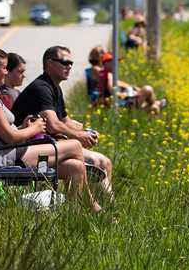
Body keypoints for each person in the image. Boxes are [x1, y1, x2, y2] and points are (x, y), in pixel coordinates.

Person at [0, 47, 97, 207]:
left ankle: (75, 212)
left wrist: (22, 127)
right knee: (74, 145)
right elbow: (9, 137)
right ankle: (90, 206)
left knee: (75, 167)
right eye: (4, 68)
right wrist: (35, 129)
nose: (6, 72)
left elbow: (2, 132)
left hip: (4, 152)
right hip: (5, 157)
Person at [12, 45, 115, 199]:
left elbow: (65, 120)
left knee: (105, 162)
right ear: (49, 63)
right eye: (64, 62)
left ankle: (107, 206)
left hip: (47, 146)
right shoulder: (41, 88)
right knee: (93, 161)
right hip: (30, 151)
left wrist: (85, 132)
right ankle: (90, 208)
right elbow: (53, 125)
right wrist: (79, 137)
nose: (69, 66)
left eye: (71, 63)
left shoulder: (55, 88)